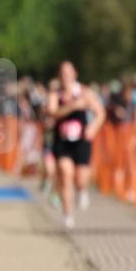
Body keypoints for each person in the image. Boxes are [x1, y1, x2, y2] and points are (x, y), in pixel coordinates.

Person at [48, 62, 106, 229]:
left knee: (81, 179)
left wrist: (93, 128)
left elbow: (100, 112)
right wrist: (72, 106)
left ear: (75, 74)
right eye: (62, 73)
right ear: (59, 76)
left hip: (81, 141)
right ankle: (68, 214)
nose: (65, 76)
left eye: (68, 73)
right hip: (62, 142)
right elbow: (53, 113)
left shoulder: (85, 92)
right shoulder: (55, 94)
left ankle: (82, 191)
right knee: (65, 175)